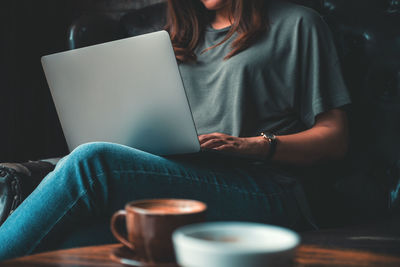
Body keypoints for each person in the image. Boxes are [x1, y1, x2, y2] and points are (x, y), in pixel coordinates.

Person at [0, 0, 351, 261]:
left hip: (265, 185)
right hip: (183, 178)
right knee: (76, 242)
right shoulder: (162, 31)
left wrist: (252, 146)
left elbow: (335, 139)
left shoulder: (299, 24)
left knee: (93, 160)